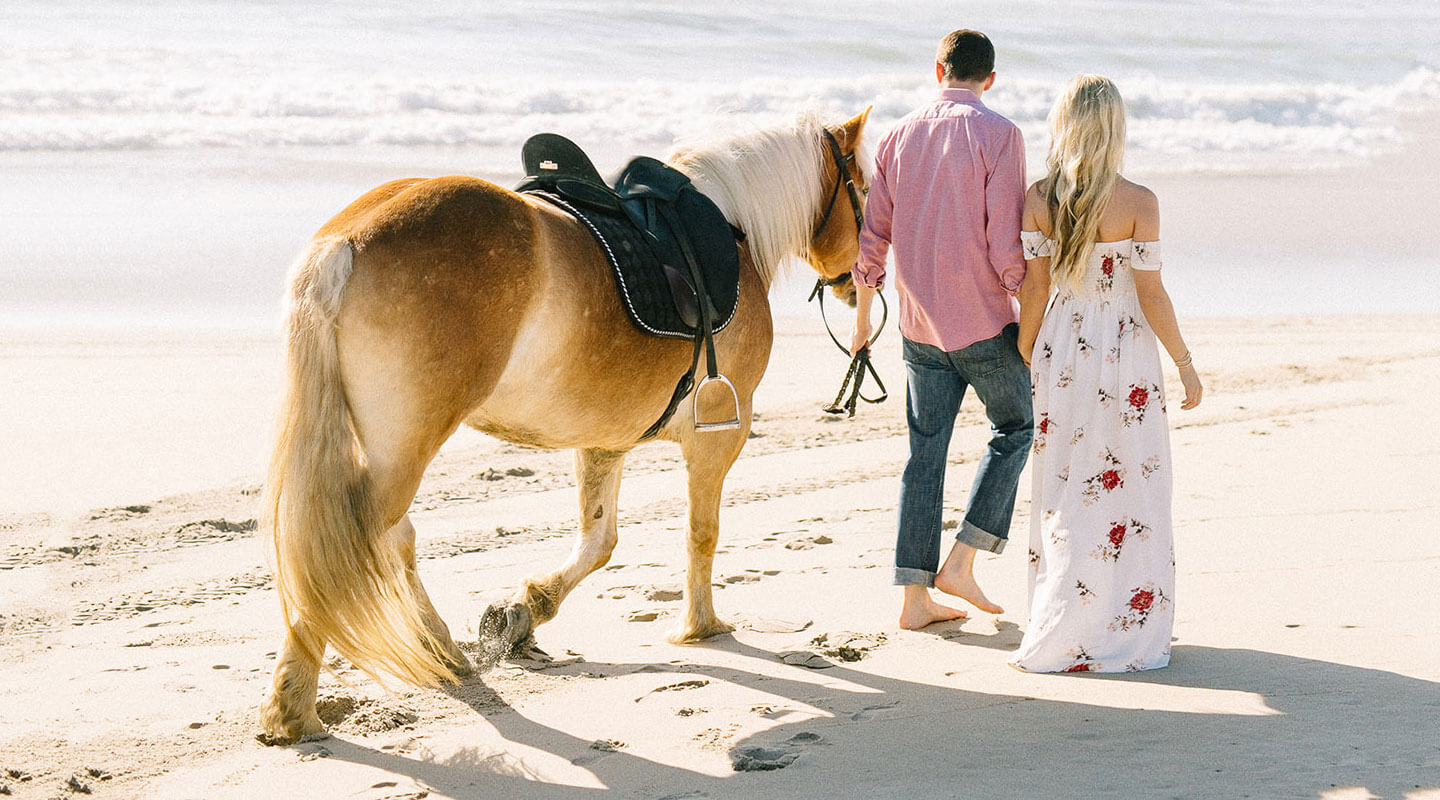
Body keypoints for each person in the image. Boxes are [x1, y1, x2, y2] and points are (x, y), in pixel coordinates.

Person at [1010, 74, 1203, 673]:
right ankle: (1126, 620)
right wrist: (1185, 362)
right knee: (1133, 483)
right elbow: (1151, 295)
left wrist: (1023, 357)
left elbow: (1035, 291)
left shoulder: (1040, 197)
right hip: (1125, 356)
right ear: (1115, 127)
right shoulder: (1139, 202)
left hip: (1062, 350)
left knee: (1067, 485)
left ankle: (1065, 619)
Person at [851, 29, 1032, 631]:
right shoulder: (1001, 134)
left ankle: (914, 600)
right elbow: (1003, 240)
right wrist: (1026, 300)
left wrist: (863, 318)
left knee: (923, 456)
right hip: (981, 322)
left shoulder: (898, 137)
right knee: (1016, 427)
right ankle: (962, 560)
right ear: (990, 79)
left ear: (938, 71)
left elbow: (872, 238)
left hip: (917, 324)